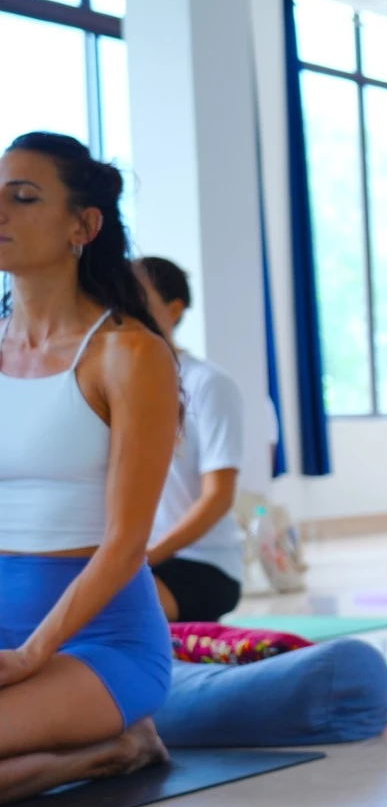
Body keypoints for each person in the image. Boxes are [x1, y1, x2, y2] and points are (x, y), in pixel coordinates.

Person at [0, 132, 175, 804]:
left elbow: (126, 541)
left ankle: (114, 750)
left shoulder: (127, 354)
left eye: (22, 198)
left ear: (84, 225)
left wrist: (33, 654)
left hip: (100, 645)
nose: (1, 212)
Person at [132, 256, 246, 623]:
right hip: (129, 559)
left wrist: (144, 557)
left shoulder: (207, 383)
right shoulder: (113, 383)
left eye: (137, 297)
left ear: (174, 309)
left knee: (108, 617)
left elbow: (218, 496)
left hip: (200, 563)